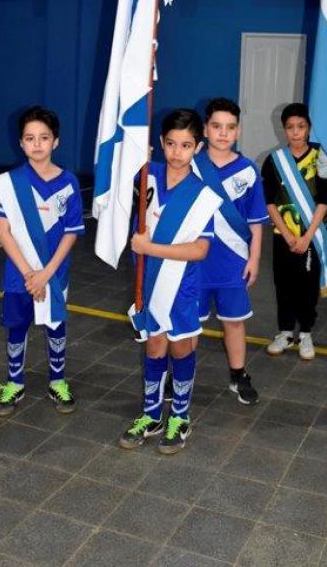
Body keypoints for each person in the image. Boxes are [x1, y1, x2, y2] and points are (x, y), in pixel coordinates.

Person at [119, 108, 221, 454]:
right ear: (162, 143)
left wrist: (152, 248)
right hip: (147, 282)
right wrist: (133, 157)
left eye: (186, 145)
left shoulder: (201, 194)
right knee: (154, 346)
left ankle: (180, 415)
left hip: (181, 286)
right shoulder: (147, 176)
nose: (177, 153)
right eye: (171, 144)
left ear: (198, 147)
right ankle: (151, 414)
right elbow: (119, 182)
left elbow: (200, 250)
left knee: (179, 346)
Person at [0, 106, 85, 417]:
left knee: (55, 325)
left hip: (55, 273)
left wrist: (46, 274)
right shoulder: (9, 183)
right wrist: (30, 273)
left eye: (44, 137)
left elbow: (71, 233)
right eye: (30, 138)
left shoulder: (69, 182)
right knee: (16, 326)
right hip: (19, 274)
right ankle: (13, 382)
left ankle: (57, 381)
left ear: (55, 141)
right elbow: (3, 232)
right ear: (21, 143)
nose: (37, 144)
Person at [193, 98, 269, 405]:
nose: (223, 133)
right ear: (205, 129)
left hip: (233, 260)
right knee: (188, 322)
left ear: (238, 131)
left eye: (230, 127)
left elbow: (257, 220)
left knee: (234, 321)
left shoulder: (248, 169)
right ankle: (180, 373)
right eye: (216, 126)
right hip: (194, 259)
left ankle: (238, 374)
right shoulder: (191, 164)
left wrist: (254, 258)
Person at [261, 103, 327, 360]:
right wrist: (289, 235)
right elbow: (269, 202)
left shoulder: (321, 157)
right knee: (283, 283)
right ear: (283, 129)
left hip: (311, 235)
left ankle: (305, 333)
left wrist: (306, 236)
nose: (296, 132)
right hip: (284, 236)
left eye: (301, 126)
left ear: (309, 128)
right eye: (290, 127)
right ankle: (284, 332)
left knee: (307, 285)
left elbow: (325, 200)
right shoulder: (274, 161)